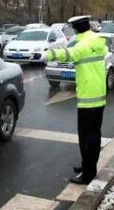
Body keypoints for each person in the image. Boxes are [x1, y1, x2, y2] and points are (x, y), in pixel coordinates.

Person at [37, 15, 107, 184]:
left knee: (86, 137)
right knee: (94, 135)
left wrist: (48, 54)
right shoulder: (96, 39)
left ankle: (88, 174)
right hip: (98, 94)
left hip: (88, 97)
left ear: (76, 28)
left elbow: (70, 53)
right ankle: (88, 165)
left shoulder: (83, 44)